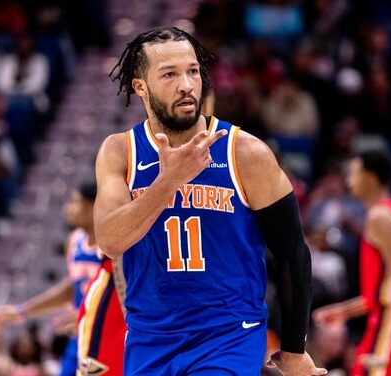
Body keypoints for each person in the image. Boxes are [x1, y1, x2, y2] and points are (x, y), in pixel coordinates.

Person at [94, 26, 325, 375]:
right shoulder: (120, 152)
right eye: (170, 74)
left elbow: (292, 251)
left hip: (228, 336)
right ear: (140, 86)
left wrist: (294, 349)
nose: (186, 84)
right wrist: (169, 180)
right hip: (150, 338)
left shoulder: (245, 153)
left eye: (192, 71)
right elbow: (110, 240)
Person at [314, 151, 391, 376]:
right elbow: (387, 288)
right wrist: (343, 311)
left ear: (370, 178)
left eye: (354, 173)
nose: (349, 180)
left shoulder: (380, 217)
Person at [0, 183, 102, 376]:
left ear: (93, 206)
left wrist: (89, 313)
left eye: (75, 202)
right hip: (78, 336)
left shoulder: (110, 244)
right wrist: (22, 311)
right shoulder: (74, 240)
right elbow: (72, 287)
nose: (68, 208)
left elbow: (120, 292)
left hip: (103, 334)